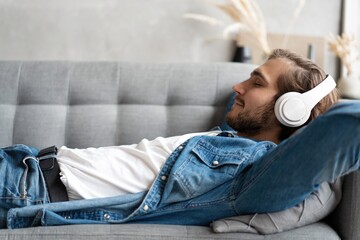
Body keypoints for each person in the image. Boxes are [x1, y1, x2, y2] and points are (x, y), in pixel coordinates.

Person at [1, 49, 359, 229]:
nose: (238, 86)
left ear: (290, 110)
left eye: (256, 82)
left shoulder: (250, 176)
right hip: (24, 163)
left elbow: (344, 127)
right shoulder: (230, 137)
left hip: (26, 189)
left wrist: (322, 101)